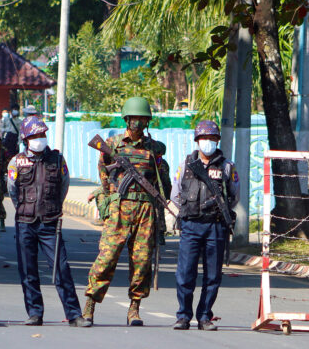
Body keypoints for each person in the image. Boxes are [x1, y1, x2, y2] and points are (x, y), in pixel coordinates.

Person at [84, 96, 171, 326]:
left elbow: (164, 183)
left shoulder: (155, 149)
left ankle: (135, 308)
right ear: (127, 119)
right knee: (107, 257)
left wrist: (162, 192)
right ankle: (90, 304)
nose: (139, 124)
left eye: (144, 120)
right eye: (135, 119)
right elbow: (103, 174)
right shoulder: (112, 145)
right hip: (120, 209)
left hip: (145, 210)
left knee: (142, 261)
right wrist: (108, 198)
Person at [7, 117, 90, 327]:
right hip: (25, 222)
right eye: (35, 136)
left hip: (50, 223)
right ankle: (35, 313)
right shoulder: (16, 161)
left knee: (61, 268)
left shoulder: (57, 160)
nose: (39, 139)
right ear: (26, 138)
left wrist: (54, 207)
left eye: (42, 135)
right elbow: (12, 190)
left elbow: (64, 186)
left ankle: (74, 314)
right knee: (28, 270)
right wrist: (24, 208)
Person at [173, 120, 238, 331]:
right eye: (204, 138)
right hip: (191, 225)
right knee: (185, 273)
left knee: (212, 275)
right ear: (197, 141)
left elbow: (234, 195)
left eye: (211, 138)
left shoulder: (227, 166)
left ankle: (204, 316)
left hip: (215, 226)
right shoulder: (186, 165)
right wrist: (188, 210)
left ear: (217, 141)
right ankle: (183, 316)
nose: (207, 142)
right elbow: (175, 194)